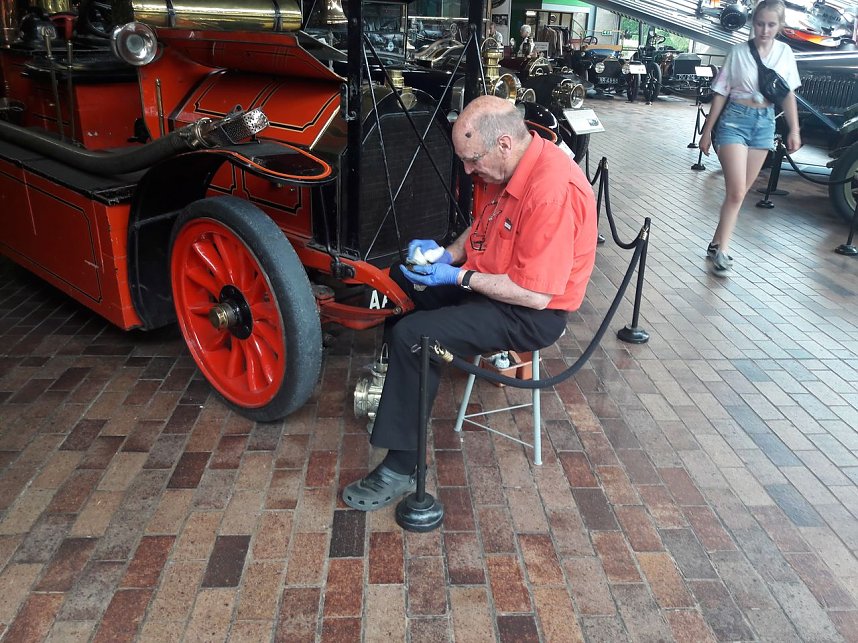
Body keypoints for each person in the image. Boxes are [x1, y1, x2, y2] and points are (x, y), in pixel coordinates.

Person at [342, 95, 598, 511]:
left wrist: (457, 275)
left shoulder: (551, 191)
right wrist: (445, 255)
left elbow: (536, 294)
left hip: (530, 313)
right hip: (491, 285)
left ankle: (400, 468)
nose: (467, 169)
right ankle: (394, 388)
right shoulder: (511, 165)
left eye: (471, 159)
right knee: (400, 280)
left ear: (503, 144)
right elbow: (482, 228)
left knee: (415, 335)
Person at [699, 0, 801, 276]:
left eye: (771, 25)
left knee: (740, 192)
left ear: (779, 26)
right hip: (734, 120)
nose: (764, 30)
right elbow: (721, 92)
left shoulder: (785, 53)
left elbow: (787, 93)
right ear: (752, 23)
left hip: (765, 123)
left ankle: (716, 241)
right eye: (760, 24)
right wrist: (707, 131)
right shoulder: (738, 52)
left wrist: (794, 130)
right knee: (735, 190)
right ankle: (723, 251)